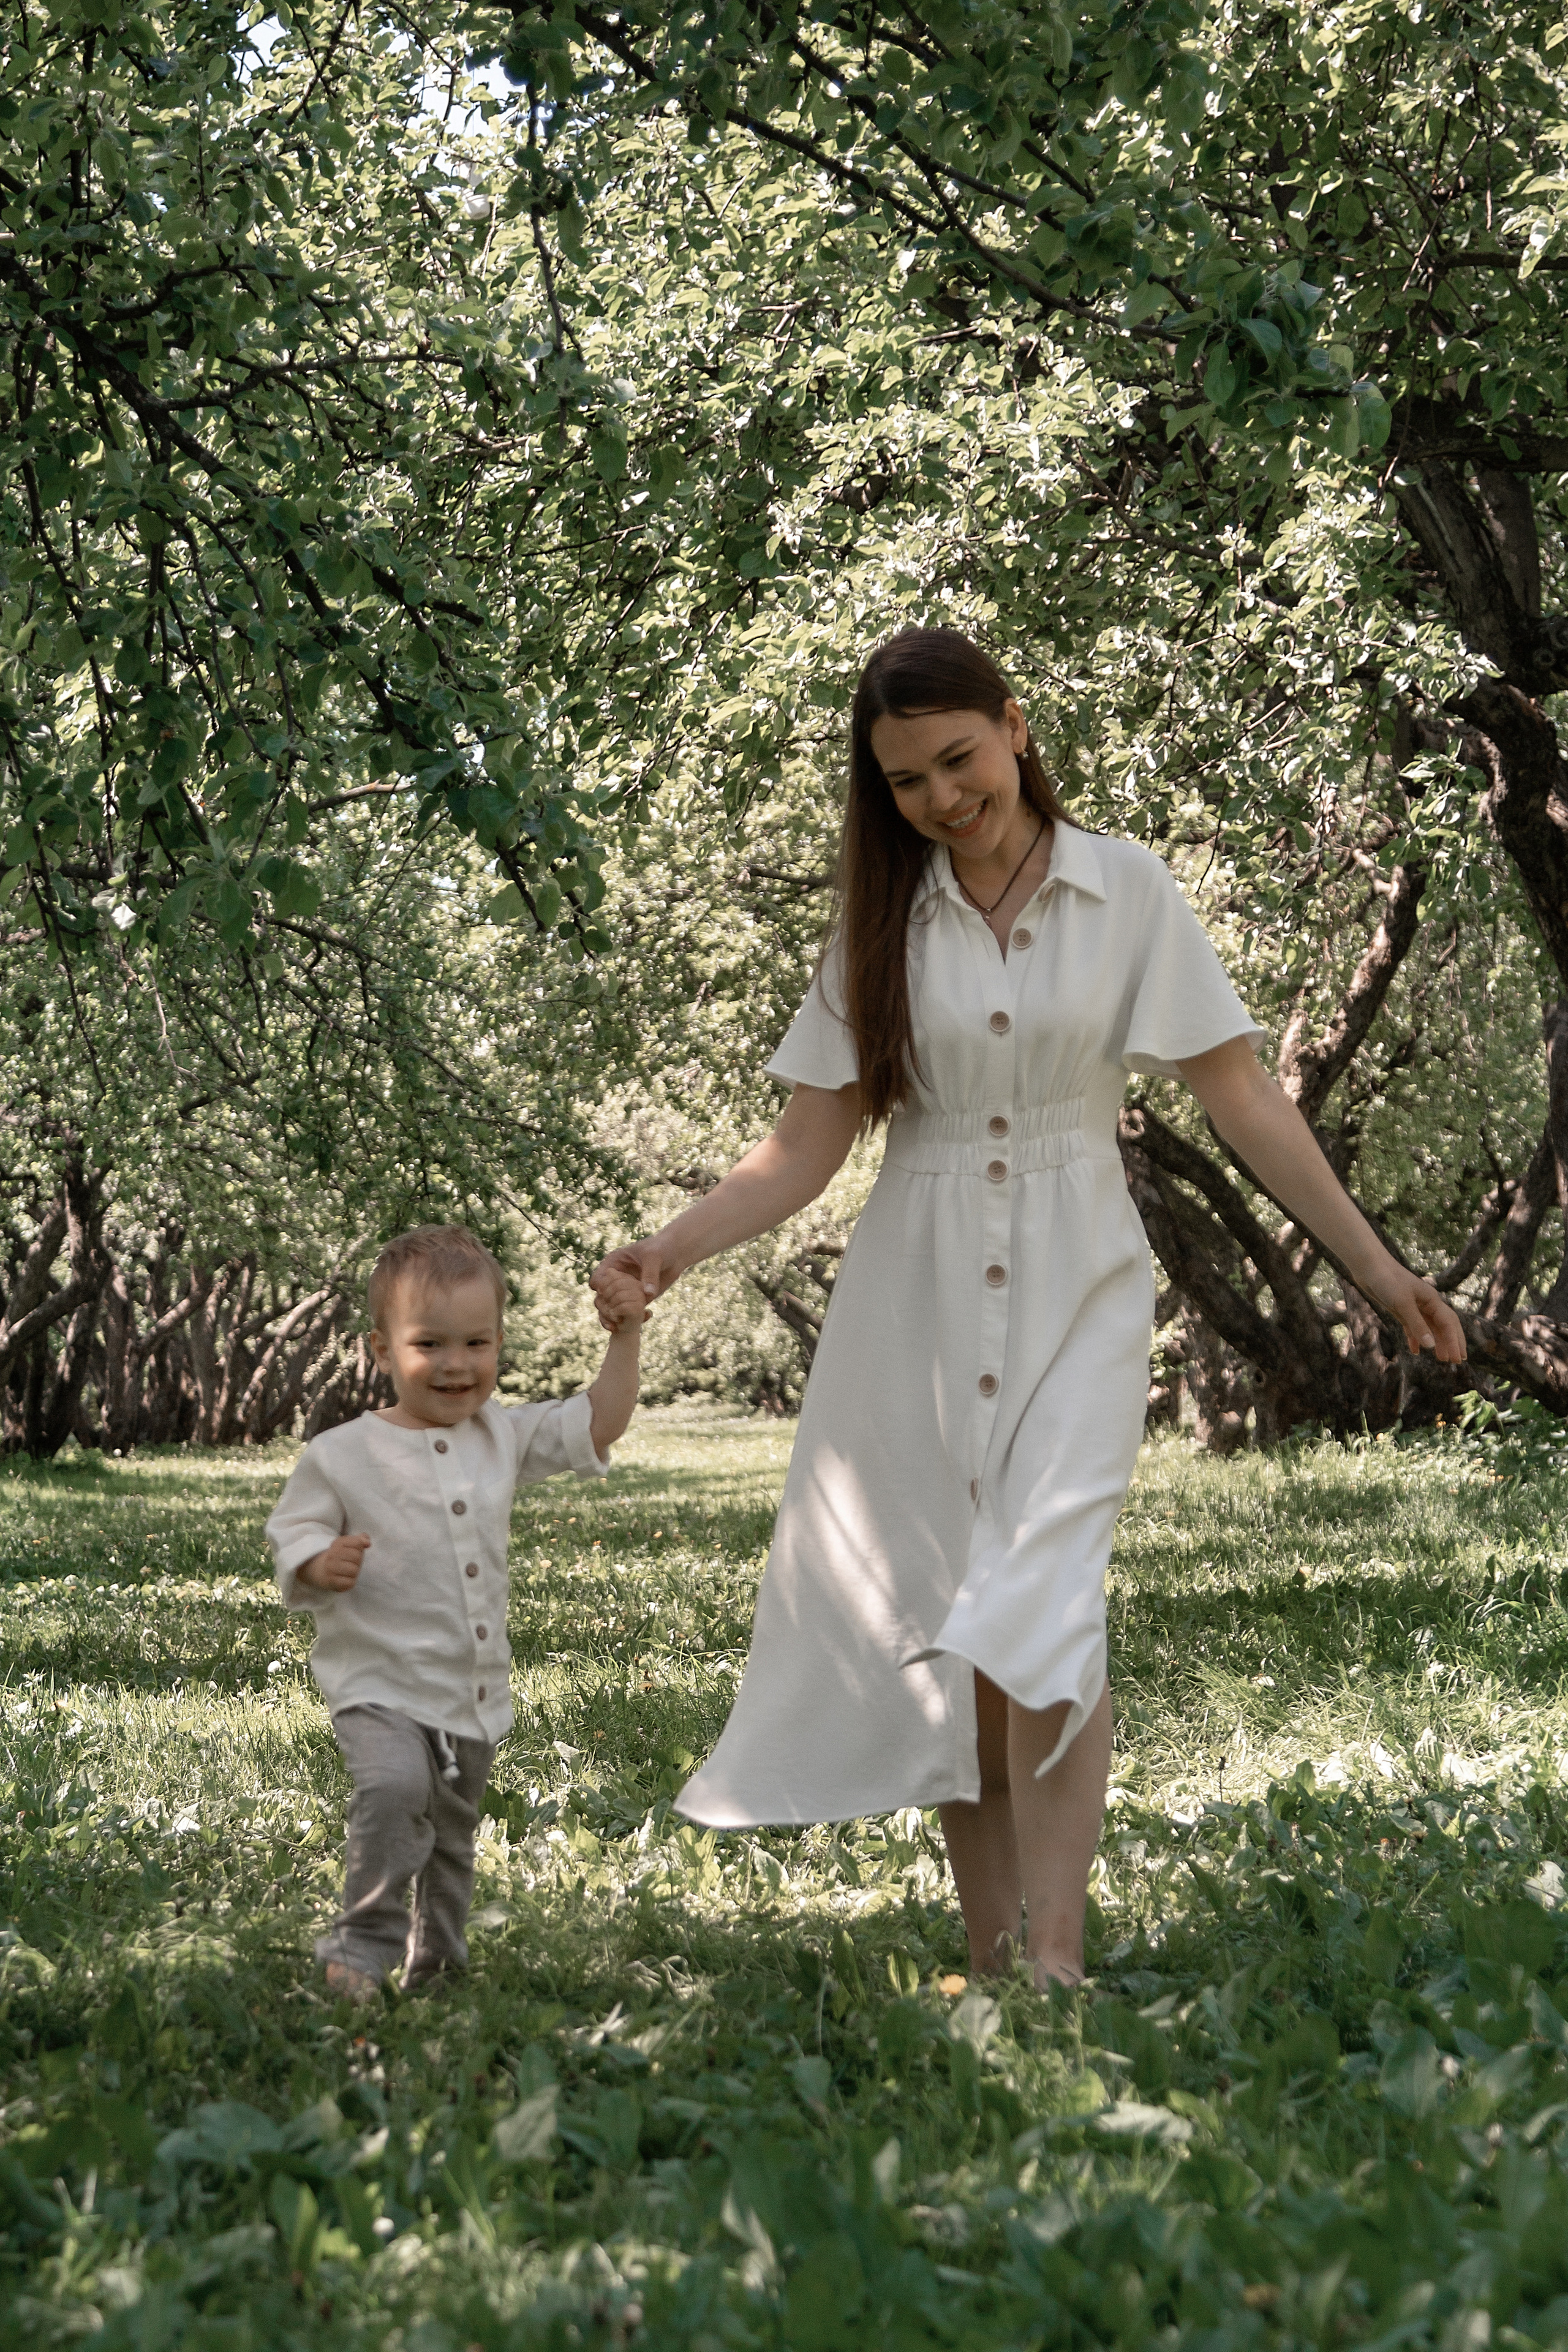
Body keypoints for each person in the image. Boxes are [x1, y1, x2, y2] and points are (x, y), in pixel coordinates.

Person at [592, 626, 1466, 1991]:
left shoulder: (1127, 893)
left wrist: (1369, 1264)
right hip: (915, 1294)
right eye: (904, 782)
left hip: (1080, 1281)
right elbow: (805, 1145)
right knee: (955, 1616)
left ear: (1012, 726)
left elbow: (1238, 1094)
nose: (942, 798)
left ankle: (1052, 1960)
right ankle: (993, 1957)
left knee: (1039, 1603)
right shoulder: (879, 926)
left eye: (957, 758)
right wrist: (669, 1250)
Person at [266, 1223, 646, 1999]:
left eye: (477, 1343)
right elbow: (293, 1529)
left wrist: (627, 1335)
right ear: (381, 1351)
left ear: (499, 1343)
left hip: (470, 1689)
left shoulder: (499, 1436)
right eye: (429, 1344)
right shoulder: (341, 1454)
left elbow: (597, 1421)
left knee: (451, 1835)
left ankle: (438, 1966)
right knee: (394, 1790)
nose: (455, 1364)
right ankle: (360, 1950)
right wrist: (315, 1559)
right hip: (377, 1680)